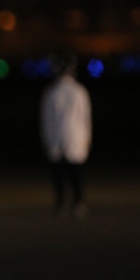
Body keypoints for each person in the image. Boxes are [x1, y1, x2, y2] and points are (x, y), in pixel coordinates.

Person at [40, 51, 92, 218]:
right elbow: (86, 118)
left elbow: (46, 120)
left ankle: (63, 203)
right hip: (75, 137)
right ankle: (77, 203)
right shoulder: (79, 91)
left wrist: (47, 139)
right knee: (75, 174)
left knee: (60, 175)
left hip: (60, 138)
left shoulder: (52, 92)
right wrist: (87, 139)